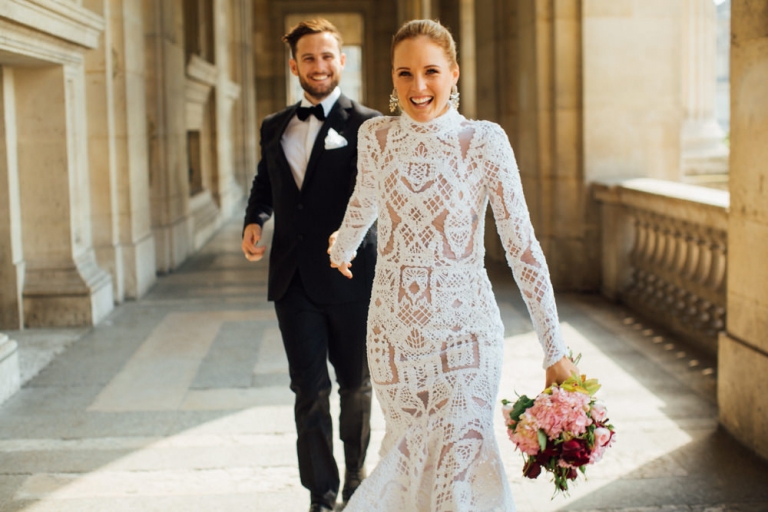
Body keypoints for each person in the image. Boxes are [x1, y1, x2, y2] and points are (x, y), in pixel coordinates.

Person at [328, 19, 580, 511]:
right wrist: (342, 247)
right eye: (405, 73)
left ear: (454, 73)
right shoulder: (375, 136)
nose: (418, 87)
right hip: (394, 333)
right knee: (410, 459)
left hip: (468, 331)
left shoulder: (485, 141)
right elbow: (364, 203)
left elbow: (522, 247)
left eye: (430, 71)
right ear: (392, 77)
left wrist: (555, 349)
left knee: (461, 462)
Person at [242, 19, 380, 512]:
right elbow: (266, 181)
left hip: (352, 279)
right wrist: (255, 219)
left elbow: (381, 196)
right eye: (309, 58)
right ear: (294, 64)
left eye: (327, 57)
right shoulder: (274, 126)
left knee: (356, 386)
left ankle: (358, 477)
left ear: (341, 61)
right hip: (292, 281)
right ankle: (321, 494)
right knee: (309, 389)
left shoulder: (369, 124)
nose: (318, 66)